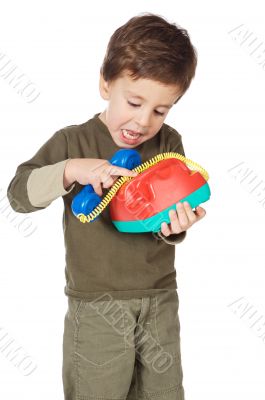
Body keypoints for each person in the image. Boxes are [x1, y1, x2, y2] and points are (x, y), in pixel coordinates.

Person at [7, 12, 206, 400]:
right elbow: (18, 195)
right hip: (97, 305)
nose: (143, 121)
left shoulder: (168, 143)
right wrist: (70, 170)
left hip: (160, 299)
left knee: (164, 393)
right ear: (105, 83)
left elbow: (168, 218)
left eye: (161, 110)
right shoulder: (72, 141)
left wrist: (176, 225)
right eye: (134, 101)